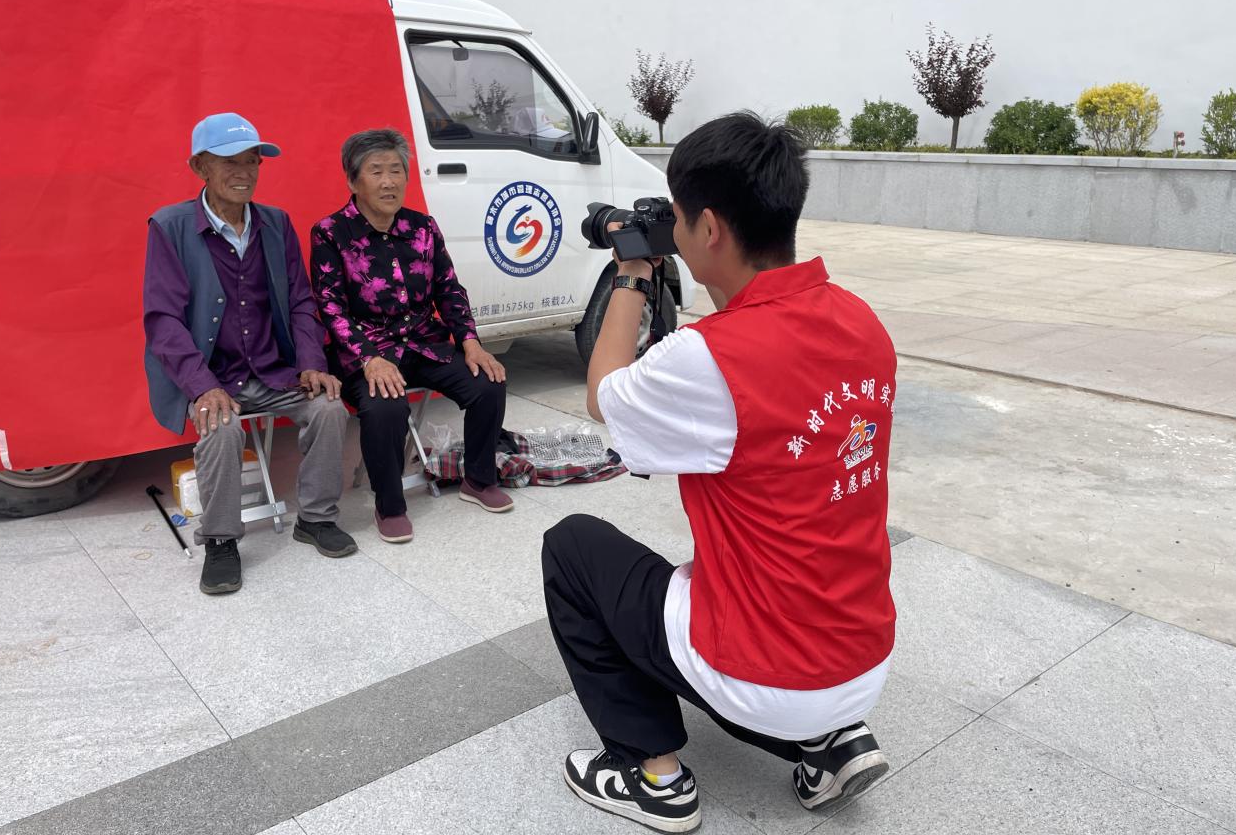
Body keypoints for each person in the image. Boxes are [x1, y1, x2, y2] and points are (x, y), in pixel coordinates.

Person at [542, 113, 898, 833]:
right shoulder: (861, 320)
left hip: (768, 669)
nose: (670, 231)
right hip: (862, 658)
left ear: (708, 229)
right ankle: (828, 748)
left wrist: (632, 273)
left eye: (674, 218)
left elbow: (603, 393)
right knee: (717, 564)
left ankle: (651, 776)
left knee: (574, 547)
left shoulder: (708, 359)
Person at [143, 112, 355, 596]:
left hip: (274, 371)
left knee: (326, 408)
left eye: (252, 161)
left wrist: (310, 364)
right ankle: (220, 540)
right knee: (219, 427)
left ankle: (317, 519)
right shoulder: (170, 226)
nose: (244, 172)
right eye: (229, 162)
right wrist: (202, 387)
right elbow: (163, 321)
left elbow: (301, 302)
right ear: (200, 167)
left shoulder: (275, 224)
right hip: (215, 377)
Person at [310, 128, 511, 544]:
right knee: (385, 406)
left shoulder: (422, 227)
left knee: (488, 382)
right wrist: (369, 358)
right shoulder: (330, 233)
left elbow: (449, 288)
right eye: (376, 171)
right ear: (353, 181)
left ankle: (478, 478)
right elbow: (330, 306)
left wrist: (470, 341)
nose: (389, 181)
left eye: (397, 170)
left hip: (422, 341)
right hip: (365, 350)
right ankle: (390, 505)